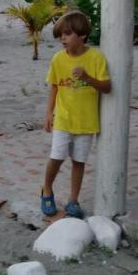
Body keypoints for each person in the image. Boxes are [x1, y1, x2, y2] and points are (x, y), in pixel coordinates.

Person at [41, 11, 111, 219]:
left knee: (79, 162)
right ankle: (46, 189)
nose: (63, 39)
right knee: (57, 157)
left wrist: (88, 77)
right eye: (60, 35)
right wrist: (49, 113)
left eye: (67, 34)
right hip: (63, 119)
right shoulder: (57, 60)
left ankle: (73, 200)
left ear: (82, 35)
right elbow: (54, 86)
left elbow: (107, 87)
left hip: (87, 121)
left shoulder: (96, 57)